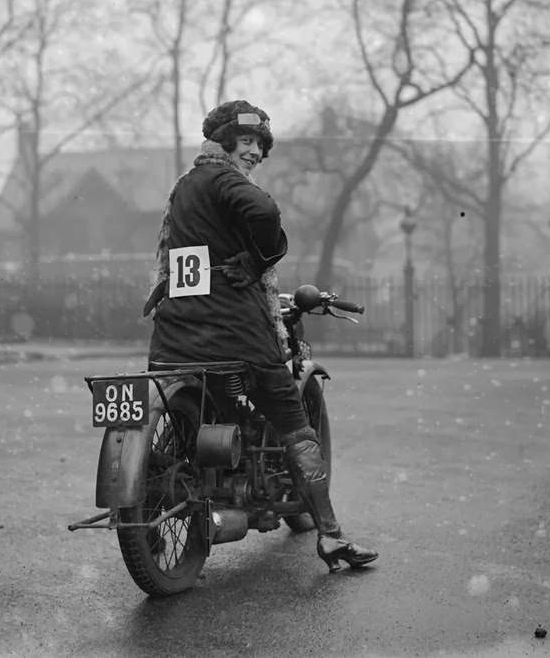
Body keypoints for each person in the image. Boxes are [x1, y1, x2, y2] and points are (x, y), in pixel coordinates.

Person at [143, 99, 377, 573]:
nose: (255, 153)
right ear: (225, 141)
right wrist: (261, 258)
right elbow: (264, 211)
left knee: (212, 412)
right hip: (236, 338)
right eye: (247, 141)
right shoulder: (226, 181)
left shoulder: (184, 189)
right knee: (295, 426)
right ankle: (331, 536)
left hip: (175, 339)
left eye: (260, 146)